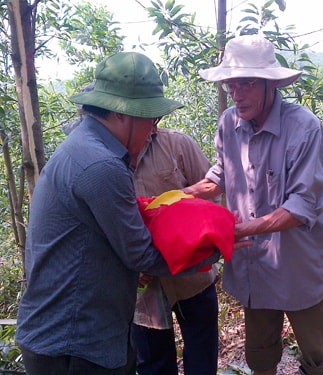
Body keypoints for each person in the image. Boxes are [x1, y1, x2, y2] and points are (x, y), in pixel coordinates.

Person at [15, 51, 221, 375]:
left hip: (81, 334)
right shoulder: (102, 166)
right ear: (123, 114)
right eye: (150, 117)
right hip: (75, 344)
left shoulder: (82, 149)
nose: (154, 127)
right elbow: (140, 253)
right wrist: (218, 245)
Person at [184, 35, 323, 375]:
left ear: (270, 84)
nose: (237, 95)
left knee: (315, 354)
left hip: (297, 265)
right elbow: (220, 174)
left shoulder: (304, 128)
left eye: (247, 84)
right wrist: (181, 196)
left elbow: (302, 204)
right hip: (253, 266)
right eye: (232, 85)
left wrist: (235, 231)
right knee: (260, 352)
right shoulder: (228, 123)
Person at [131, 126, 219, 375]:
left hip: (193, 277)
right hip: (143, 293)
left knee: (202, 357)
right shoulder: (103, 160)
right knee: (153, 364)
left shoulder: (176, 144)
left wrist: (197, 244)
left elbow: (213, 194)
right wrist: (130, 264)